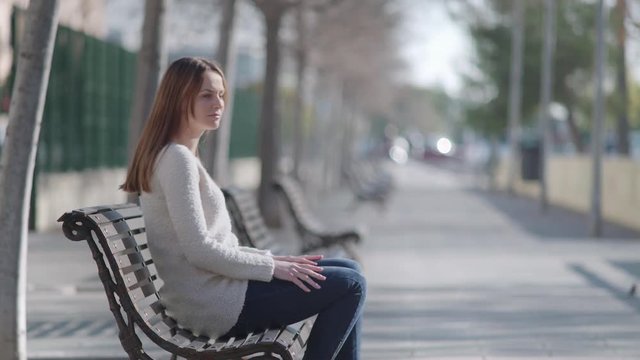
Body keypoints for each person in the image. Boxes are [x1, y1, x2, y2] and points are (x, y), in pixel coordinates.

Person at [121, 57, 366, 360]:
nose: (218, 103)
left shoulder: (181, 156)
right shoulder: (177, 161)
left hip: (218, 293)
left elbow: (213, 245)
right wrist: (274, 267)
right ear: (179, 98)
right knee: (350, 284)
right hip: (213, 304)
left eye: (221, 94)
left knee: (349, 270)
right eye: (207, 95)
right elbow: (200, 250)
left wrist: (273, 259)